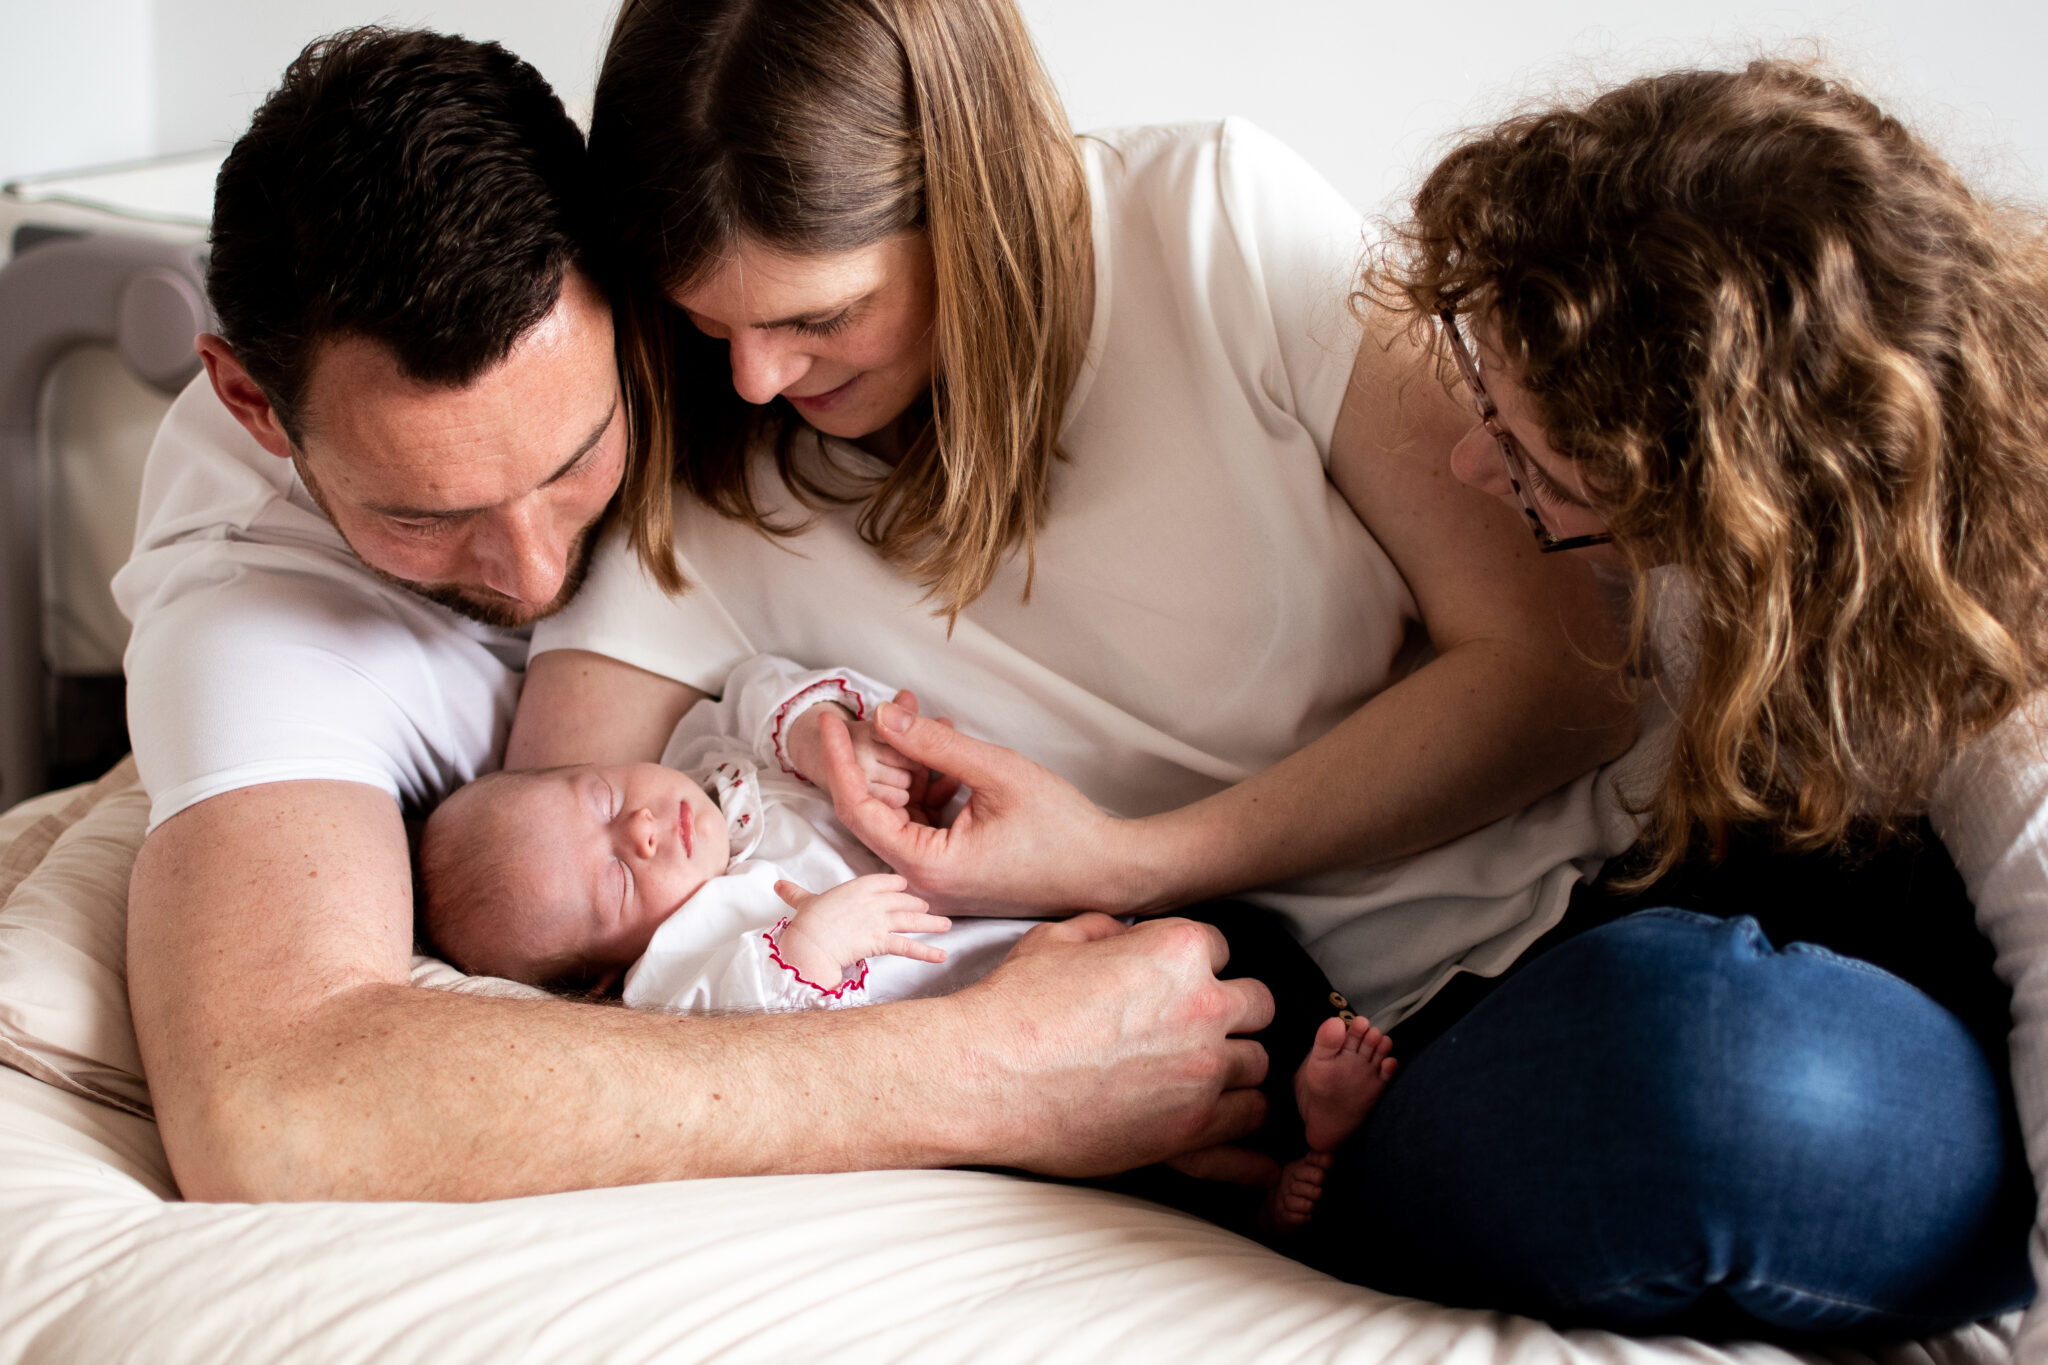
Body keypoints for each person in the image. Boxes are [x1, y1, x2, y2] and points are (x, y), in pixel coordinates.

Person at [113, 25, 1278, 1205]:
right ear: (251, 402)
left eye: (575, 460)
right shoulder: (250, 630)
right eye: (426, 516)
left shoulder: (727, 324)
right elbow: (273, 1105)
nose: (532, 570)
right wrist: (997, 1068)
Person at [514, 1, 1638, 1168]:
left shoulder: (1210, 224)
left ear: (969, 203)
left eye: (822, 316)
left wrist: (1128, 860)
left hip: (1583, 894)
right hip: (1308, 1074)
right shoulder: (692, 495)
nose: (753, 378)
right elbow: (528, 921)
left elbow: (1564, 674)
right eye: (707, 323)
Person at [1298, 60, 2042, 1342]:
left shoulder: (1998, 654)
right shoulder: (1728, 525)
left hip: (1883, 1083)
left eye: (1535, 464)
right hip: (1698, 957)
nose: (1473, 461)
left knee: (1695, 1043)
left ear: (1737, 489)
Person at [424, 652, 1397, 1231]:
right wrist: (808, 945)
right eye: (613, 879)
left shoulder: (707, 762)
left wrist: (825, 741)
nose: (639, 829)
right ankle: (1273, 1189)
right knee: (1139, 1161)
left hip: (1073, 935)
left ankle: (1313, 1070)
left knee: (1236, 940)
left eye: (600, 796)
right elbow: (738, 1029)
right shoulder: (674, 969)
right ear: (602, 977)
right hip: (1032, 1050)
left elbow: (762, 687)